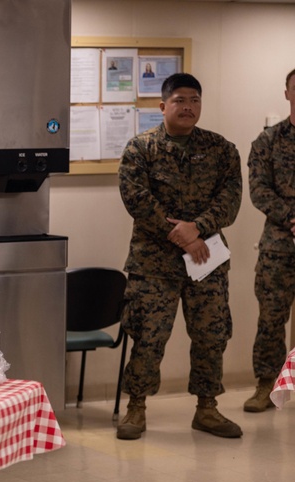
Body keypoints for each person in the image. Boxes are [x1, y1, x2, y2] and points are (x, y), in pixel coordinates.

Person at [116, 73, 243, 440]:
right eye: (180, 101)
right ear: (163, 106)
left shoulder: (221, 149)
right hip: (153, 264)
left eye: (194, 100)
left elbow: (230, 200)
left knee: (211, 334)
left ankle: (207, 408)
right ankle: (136, 407)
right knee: (148, 336)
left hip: (207, 261)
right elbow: (137, 200)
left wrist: (197, 228)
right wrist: (184, 237)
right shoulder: (141, 148)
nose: (188, 107)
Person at [243, 67, 295, 413]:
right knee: (271, 319)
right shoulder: (269, 140)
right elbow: (259, 190)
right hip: (279, 246)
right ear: (288, 93)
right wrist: (292, 217)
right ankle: (266, 385)